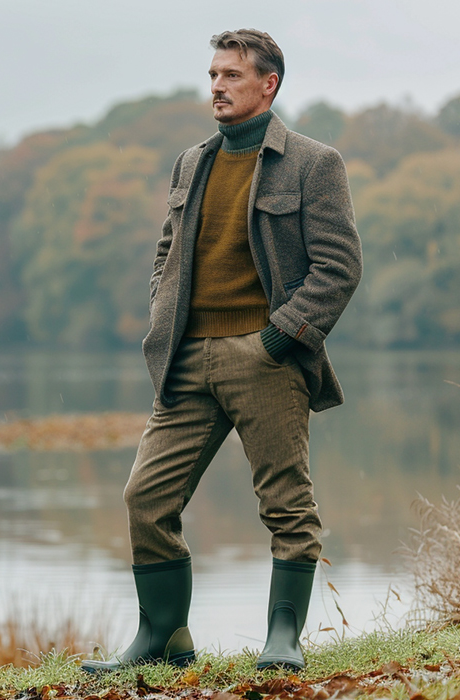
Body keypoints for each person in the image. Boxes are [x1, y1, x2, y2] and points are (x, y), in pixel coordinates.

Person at [82, 29, 362, 673]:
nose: (217, 87)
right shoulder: (191, 162)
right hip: (185, 359)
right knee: (146, 498)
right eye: (213, 75)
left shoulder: (314, 163)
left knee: (286, 505)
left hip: (265, 357)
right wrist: (162, 312)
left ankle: (283, 639)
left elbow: (339, 267)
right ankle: (164, 638)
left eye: (232, 75)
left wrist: (277, 338)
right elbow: (167, 251)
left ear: (269, 84)